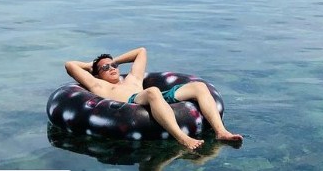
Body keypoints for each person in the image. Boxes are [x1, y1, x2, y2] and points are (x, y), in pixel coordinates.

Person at [65, 47, 242, 150]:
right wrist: (92, 66)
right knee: (152, 92)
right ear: (96, 74)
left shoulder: (132, 78)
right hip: (134, 102)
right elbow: (70, 65)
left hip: (157, 97)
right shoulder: (98, 85)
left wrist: (111, 60)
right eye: (105, 68)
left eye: (114, 66)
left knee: (199, 87)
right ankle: (182, 138)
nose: (111, 68)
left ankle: (221, 131)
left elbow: (141, 52)